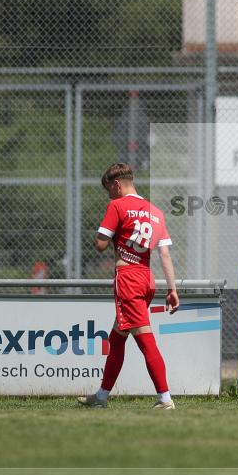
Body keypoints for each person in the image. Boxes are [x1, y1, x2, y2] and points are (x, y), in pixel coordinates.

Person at [78, 163, 180, 410]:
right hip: (147, 278)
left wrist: (110, 233)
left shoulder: (117, 206)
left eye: (109, 190)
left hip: (128, 279)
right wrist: (172, 289)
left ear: (117, 184)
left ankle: (165, 398)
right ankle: (101, 397)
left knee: (145, 339)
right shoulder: (155, 212)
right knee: (117, 337)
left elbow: (100, 244)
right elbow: (164, 254)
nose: (109, 196)